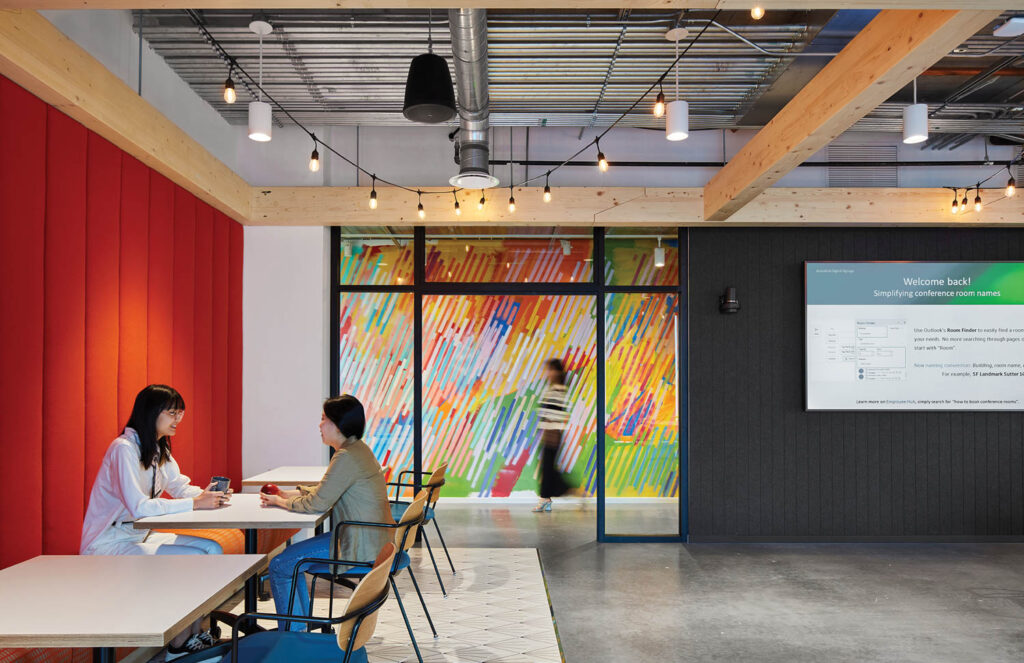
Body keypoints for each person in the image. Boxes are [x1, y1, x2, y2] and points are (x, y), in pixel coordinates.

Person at [80, 384, 231, 658]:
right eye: (173, 413)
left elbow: (180, 487)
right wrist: (196, 504)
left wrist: (208, 494)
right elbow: (138, 508)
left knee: (213, 551)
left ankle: (193, 635)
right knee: (193, 560)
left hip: (139, 536)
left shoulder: (158, 448)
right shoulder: (123, 449)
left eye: (180, 414)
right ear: (152, 413)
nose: (178, 420)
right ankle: (177, 646)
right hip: (107, 543)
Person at [260, 394, 393, 630]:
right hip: (371, 537)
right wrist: (289, 494)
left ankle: (294, 635)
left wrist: (278, 502)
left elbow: (316, 504)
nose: (319, 425)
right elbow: (327, 490)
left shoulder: (346, 456)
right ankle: (298, 628)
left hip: (359, 542)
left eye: (323, 419)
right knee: (291, 561)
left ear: (338, 424)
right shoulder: (356, 450)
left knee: (281, 564)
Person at [534, 358, 575, 512]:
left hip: (552, 434)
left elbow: (555, 414)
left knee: (548, 468)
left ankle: (570, 492)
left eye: (551, 370)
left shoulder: (557, 390)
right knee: (548, 469)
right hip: (549, 433)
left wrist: (550, 432)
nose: (548, 373)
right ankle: (547, 499)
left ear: (558, 372)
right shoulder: (555, 389)